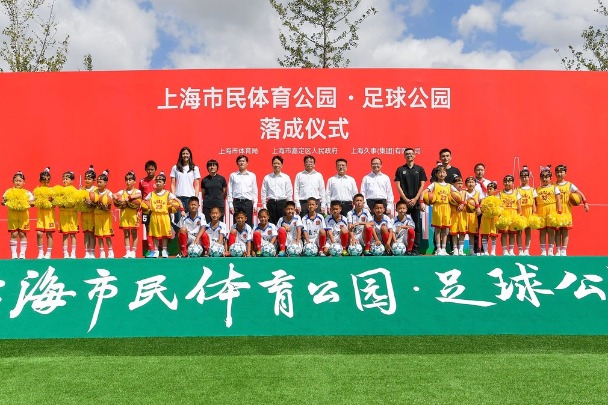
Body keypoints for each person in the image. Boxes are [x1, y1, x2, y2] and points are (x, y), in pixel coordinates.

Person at [394, 147, 427, 255]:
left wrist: (416, 199)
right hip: (404, 203)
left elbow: (422, 185)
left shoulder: (420, 169)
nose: (409, 155)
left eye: (411, 153)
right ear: (404, 156)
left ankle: (415, 249)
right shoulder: (400, 169)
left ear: (414, 155)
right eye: (407, 154)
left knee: (416, 226)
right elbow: (398, 186)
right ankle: (403, 247)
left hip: (416, 202)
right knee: (401, 225)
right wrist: (406, 199)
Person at [144, 172, 181, 258]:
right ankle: (156, 251)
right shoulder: (152, 193)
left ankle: (164, 250)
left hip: (164, 216)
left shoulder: (167, 193)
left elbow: (177, 200)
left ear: (164, 183)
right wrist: (148, 206)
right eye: (156, 181)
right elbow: (144, 202)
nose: (157, 183)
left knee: (164, 235)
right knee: (156, 235)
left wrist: (181, 209)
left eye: (160, 181)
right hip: (154, 215)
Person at [554, 164, 589, 256]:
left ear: (565, 173)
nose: (559, 174)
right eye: (557, 172)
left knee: (565, 230)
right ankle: (557, 250)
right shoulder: (553, 185)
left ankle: (564, 250)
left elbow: (580, 193)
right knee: (557, 230)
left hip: (566, 209)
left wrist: (585, 202)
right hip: (555, 210)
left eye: (561, 172)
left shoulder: (569, 185)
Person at [425, 165, 459, 256]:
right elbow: (425, 192)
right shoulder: (434, 184)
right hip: (437, 207)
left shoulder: (449, 186)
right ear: (436, 174)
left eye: (443, 172)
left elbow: (458, 194)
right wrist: (422, 201)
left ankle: (444, 248)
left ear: (446, 174)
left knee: (445, 229)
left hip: (447, 207)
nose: (441, 174)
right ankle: (438, 248)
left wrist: (461, 202)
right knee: (437, 229)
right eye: (439, 172)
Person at [3, 171, 33, 259]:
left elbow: (32, 202)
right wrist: (6, 203)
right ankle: (14, 254)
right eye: (16, 180)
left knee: (23, 234)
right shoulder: (8, 191)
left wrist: (29, 204)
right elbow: (3, 201)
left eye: (20, 181)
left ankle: (22, 254)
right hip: (13, 215)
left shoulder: (27, 192)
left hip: (24, 216)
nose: (18, 182)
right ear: (13, 181)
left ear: (24, 182)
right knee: (14, 234)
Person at [170, 146, 200, 230]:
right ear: (181, 155)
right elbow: (172, 184)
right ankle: (180, 242)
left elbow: (197, 184)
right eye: (183, 154)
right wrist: (173, 197)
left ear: (190, 155)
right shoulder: (175, 168)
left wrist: (196, 198)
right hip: (178, 198)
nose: (185, 155)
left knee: (190, 221)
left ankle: (190, 241)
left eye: (187, 153)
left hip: (190, 198)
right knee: (179, 221)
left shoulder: (195, 168)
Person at [536, 166, 562, 256]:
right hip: (541, 210)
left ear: (550, 178)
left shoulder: (555, 188)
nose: (544, 178)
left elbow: (558, 200)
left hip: (551, 209)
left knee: (551, 231)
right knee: (542, 231)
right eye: (542, 177)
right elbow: (534, 202)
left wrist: (559, 210)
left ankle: (550, 249)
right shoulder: (537, 189)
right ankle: (543, 250)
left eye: (547, 177)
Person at [115, 171, 142, 258]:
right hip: (125, 214)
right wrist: (119, 199)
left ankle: (133, 251)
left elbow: (139, 194)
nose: (128, 181)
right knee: (126, 234)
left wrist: (129, 198)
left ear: (134, 181)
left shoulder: (136, 191)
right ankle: (127, 252)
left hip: (133, 214)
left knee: (134, 233)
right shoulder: (122, 191)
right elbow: (114, 195)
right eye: (126, 180)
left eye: (130, 180)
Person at [261, 155, 293, 225]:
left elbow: (289, 192)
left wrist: (289, 206)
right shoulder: (267, 177)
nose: (276, 165)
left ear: (282, 165)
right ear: (272, 165)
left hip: (282, 204)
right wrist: (264, 205)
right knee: (271, 224)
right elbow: (264, 192)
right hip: (271, 203)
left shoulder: (286, 177)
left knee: (283, 224)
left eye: (278, 163)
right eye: (275, 163)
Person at [228, 155, 257, 228]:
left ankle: (248, 239)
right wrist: (231, 205)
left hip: (247, 203)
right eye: (240, 161)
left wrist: (255, 204)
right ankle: (236, 239)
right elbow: (230, 191)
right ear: (237, 163)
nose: (242, 163)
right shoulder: (233, 175)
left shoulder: (252, 175)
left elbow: (254, 191)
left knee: (248, 224)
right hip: (236, 202)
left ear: (247, 163)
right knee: (236, 224)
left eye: (243, 161)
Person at [91, 170, 114, 258]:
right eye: (98, 182)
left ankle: (110, 251)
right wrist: (92, 203)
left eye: (100, 182)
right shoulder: (95, 192)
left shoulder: (109, 193)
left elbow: (108, 207)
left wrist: (104, 206)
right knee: (99, 235)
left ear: (106, 183)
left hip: (106, 217)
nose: (98, 184)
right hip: (97, 215)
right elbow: (92, 204)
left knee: (107, 235)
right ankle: (102, 252)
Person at [33, 167, 55, 259]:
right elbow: (32, 201)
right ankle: (40, 252)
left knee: (49, 234)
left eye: (47, 180)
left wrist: (49, 203)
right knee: (39, 233)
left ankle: (48, 253)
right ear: (40, 180)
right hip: (40, 214)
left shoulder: (52, 190)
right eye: (43, 180)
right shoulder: (36, 190)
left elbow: (54, 204)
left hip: (49, 215)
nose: (46, 182)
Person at [498, 174, 521, 256]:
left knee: (512, 233)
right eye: (506, 181)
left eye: (509, 181)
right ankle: (504, 250)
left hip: (513, 214)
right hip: (504, 214)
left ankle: (511, 250)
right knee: (504, 233)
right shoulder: (500, 193)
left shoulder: (516, 193)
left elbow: (518, 205)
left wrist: (519, 215)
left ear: (513, 182)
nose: (507, 183)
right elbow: (497, 205)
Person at [58, 171, 79, 259]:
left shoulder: (75, 190)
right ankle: (65, 253)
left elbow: (77, 202)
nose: (65, 180)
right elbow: (57, 201)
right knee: (65, 234)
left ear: (72, 180)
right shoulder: (60, 190)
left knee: (73, 234)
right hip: (63, 213)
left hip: (72, 214)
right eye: (63, 178)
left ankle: (73, 253)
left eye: (67, 178)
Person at [472, 163, 490, 255]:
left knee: (485, 229)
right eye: (478, 170)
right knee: (475, 228)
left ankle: (484, 249)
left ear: (484, 171)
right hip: (475, 207)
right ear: (474, 171)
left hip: (486, 208)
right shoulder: (472, 182)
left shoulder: (488, 183)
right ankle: (475, 248)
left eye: (481, 170)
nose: (480, 172)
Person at [201, 159, 227, 223]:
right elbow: (203, 194)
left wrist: (218, 199)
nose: (212, 167)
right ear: (207, 168)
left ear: (217, 167)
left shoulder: (222, 179)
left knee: (219, 224)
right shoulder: (204, 180)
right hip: (207, 206)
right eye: (210, 166)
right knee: (207, 223)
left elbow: (224, 192)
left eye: (214, 165)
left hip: (219, 204)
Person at [81, 166, 97, 259]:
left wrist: (91, 204)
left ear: (93, 180)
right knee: (86, 233)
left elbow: (98, 201)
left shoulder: (95, 189)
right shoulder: (82, 190)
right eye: (86, 178)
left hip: (92, 214)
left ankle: (92, 252)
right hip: (84, 214)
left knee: (91, 233)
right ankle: (86, 252)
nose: (87, 180)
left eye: (89, 179)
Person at [449, 176, 468, 256]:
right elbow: (449, 201)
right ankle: (455, 248)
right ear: (453, 184)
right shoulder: (451, 193)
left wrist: (463, 204)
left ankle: (461, 249)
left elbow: (468, 202)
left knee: (462, 232)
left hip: (462, 214)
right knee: (454, 232)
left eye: (461, 183)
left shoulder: (464, 192)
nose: (460, 185)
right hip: (454, 214)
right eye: (458, 183)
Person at [480, 182, 499, 256]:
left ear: (495, 190)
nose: (488, 190)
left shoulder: (497, 199)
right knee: (485, 234)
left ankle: (493, 251)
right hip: (485, 219)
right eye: (487, 189)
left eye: (490, 189)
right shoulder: (484, 199)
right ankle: (485, 251)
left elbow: (500, 208)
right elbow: (481, 208)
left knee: (493, 235)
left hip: (494, 219)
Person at [464, 176, 482, 256]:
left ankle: (471, 250)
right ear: (466, 184)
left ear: (475, 184)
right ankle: (459, 250)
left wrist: (476, 205)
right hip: (464, 215)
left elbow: (480, 203)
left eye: (472, 182)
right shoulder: (463, 192)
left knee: (472, 234)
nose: (471, 184)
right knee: (462, 233)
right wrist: (467, 201)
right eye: (469, 182)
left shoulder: (478, 193)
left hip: (473, 216)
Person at [139, 160, 157, 233]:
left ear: (155, 170)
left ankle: (158, 244)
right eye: (148, 169)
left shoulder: (158, 180)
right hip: (146, 207)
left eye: (152, 169)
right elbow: (140, 194)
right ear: (145, 170)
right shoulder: (142, 181)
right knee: (147, 227)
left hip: (156, 206)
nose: (150, 171)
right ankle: (150, 244)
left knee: (156, 226)